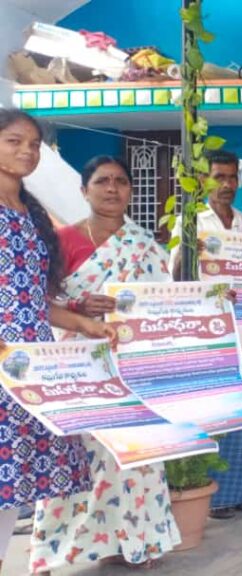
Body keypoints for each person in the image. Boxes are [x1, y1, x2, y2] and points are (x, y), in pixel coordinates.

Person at [30, 156, 180, 572]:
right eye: (102, 181)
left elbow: (166, 304)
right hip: (76, 367)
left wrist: (214, 300)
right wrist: (77, 306)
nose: (112, 188)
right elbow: (39, 301)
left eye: (120, 181)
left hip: (133, 367)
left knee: (135, 455)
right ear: (85, 190)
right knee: (76, 454)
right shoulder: (60, 241)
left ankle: (135, 544)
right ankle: (60, 550)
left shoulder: (146, 246)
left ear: (130, 190)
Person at [0, 110, 113, 571]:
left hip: (31, 363)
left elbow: (29, 298)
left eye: (34, 144)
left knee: (11, 487)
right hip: (5, 359)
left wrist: (84, 324)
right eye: (13, 141)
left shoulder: (31, 213)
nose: (26, 151)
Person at [172, 150, 242, 518]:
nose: (227, 184)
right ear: (204, 180)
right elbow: (175, 277)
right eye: (219, 177)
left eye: (232, 177)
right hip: (209, 336)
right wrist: (189, 251)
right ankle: (217, 497)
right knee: (219, 414)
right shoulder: (190, 221)